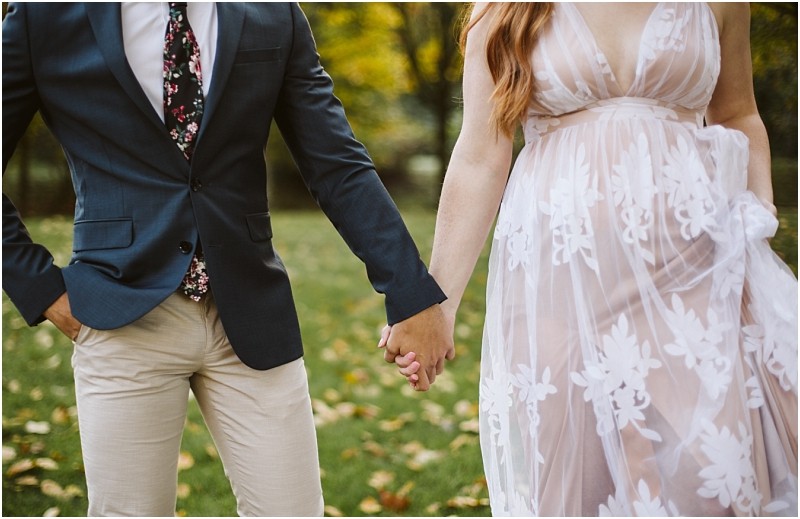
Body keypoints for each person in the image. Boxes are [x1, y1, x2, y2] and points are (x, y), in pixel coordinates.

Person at [2, 2, 454, 516]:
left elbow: (337, 163)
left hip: (251, 313)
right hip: (119, 313)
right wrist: (43, 290)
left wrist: (411, 292)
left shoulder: (272, 12)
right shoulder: (45, 15)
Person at [391, 2, 798, 516]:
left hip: (698, 268)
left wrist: (758, 208)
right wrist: (438, 306)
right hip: (562, 277)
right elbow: (480, 153)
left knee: (710, 475)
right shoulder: (504, 8)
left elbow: (739, 113)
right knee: (579, 484)